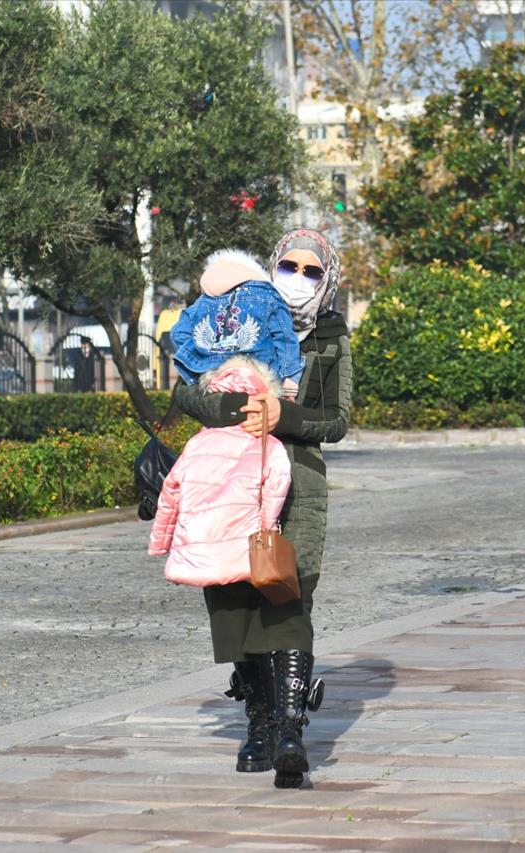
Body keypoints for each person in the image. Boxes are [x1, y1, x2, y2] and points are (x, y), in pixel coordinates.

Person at [173, 228, 352, 789]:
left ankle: (290, 728)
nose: (298, 278)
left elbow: (338, 420)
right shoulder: (230, 313)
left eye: (312, 271)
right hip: (223, 482)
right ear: (271, 265)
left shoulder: (330, 336)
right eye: (290, 266)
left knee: (284, 592)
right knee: (229, 596)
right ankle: (258, 721)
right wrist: (234, 408)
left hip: (296, 481)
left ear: (327, 279)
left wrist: (284, 416)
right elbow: (183, 390)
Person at [148, 356, 291, 594]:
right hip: (242, 554)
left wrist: (159, 544)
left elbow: (169, 493)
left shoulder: (196, 443)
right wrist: (267, 533)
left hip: (194, 553)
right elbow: (277, 488)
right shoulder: (267, 445)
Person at [169, 250, 304, 400]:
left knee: (226, 420)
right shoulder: (268, 296)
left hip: (215, 378)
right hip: (259, 376)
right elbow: (285, 339)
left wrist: (198, 365)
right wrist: (289, 384)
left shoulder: (202, 302)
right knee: (256, 420)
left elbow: (178, 333)